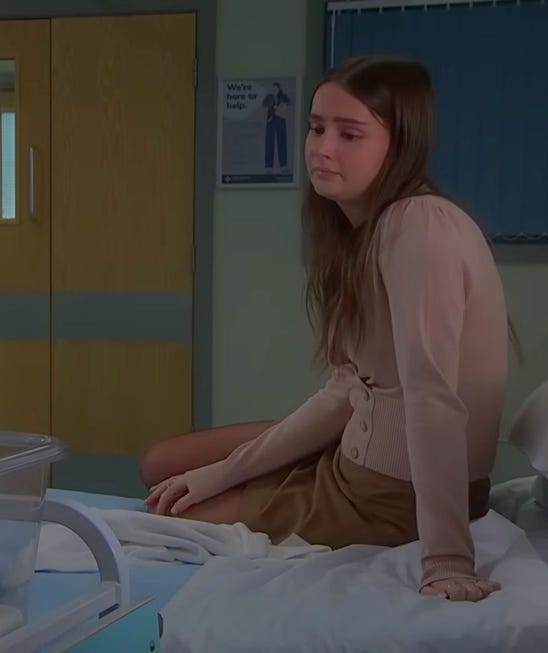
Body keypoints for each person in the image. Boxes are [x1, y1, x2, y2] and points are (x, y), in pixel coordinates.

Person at [142, 56, 510, 603]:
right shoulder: (365, 230)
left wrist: (448, 559)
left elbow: (431, 397)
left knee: (178, 508)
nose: (322, 147)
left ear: (400, 143)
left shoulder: (418, 228)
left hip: (388, 495)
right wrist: (222, 472)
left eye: (349, 133)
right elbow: (347, 390)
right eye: (316, 127)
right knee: (162, 464)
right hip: (356, 453)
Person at [263, 81, 291, 172]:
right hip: (271, 120)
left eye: (276, 88)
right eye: (273, 88)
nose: (274, 90)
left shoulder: (283, 96)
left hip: (280, 120)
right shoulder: (269, 97)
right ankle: (268, 165)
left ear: (279, 88)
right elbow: (263, 105)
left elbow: (288, 103)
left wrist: (281, 108)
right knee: (269, 142)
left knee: (282, 141)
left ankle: (283, 164)